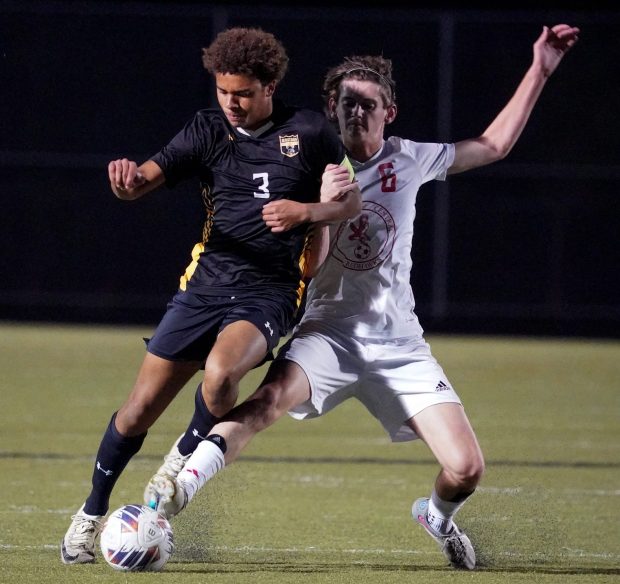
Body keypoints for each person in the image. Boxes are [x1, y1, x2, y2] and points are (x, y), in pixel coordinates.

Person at [145, 24, 580, 570]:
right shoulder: (305, 166)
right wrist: (321, 209)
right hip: (328, 333)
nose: (355, 113)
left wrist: (540, 67)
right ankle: (173, 494)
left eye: (367, 105)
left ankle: (436, 517)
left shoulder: (411, 159)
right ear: (330, 107)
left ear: (388, 112)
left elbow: (494, 145)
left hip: (400, 345)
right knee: (265, 402)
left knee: (467, 469)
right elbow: (312, 266)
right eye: (345, 103)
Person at [60, 27, 361, 565]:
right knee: (135, 414)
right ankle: (89, 514)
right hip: (205, 285)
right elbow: (146, 178)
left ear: (269, 85)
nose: (232, 103)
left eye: (242, 93)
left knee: (222, 375)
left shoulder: (311, 132)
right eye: (223, 92)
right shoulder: (206, 129)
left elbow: (349, 203)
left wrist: (307, 212)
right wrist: (128, 183)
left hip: (270, 290)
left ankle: (181, 456)